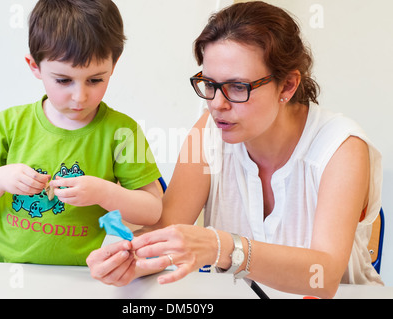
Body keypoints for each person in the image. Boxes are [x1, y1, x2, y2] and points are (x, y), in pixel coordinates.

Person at [86, 1, 383, 298]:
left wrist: (223, 247)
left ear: (288, 85)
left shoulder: (341, 147)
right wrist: (127, 259)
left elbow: (324, 275)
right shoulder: (207, 132)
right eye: (210, 84)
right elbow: (168, 228)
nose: (217, 104)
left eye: (239, 87)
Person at [0, 0, 162, 265]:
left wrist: (104, 193)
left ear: (114, 64)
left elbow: (153, 210)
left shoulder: (123, 132)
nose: (80, 97)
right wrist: (1, 179)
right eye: (64, 80)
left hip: (77, 278)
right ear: (35, 67)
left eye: (95, 79)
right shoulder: (10, 123)